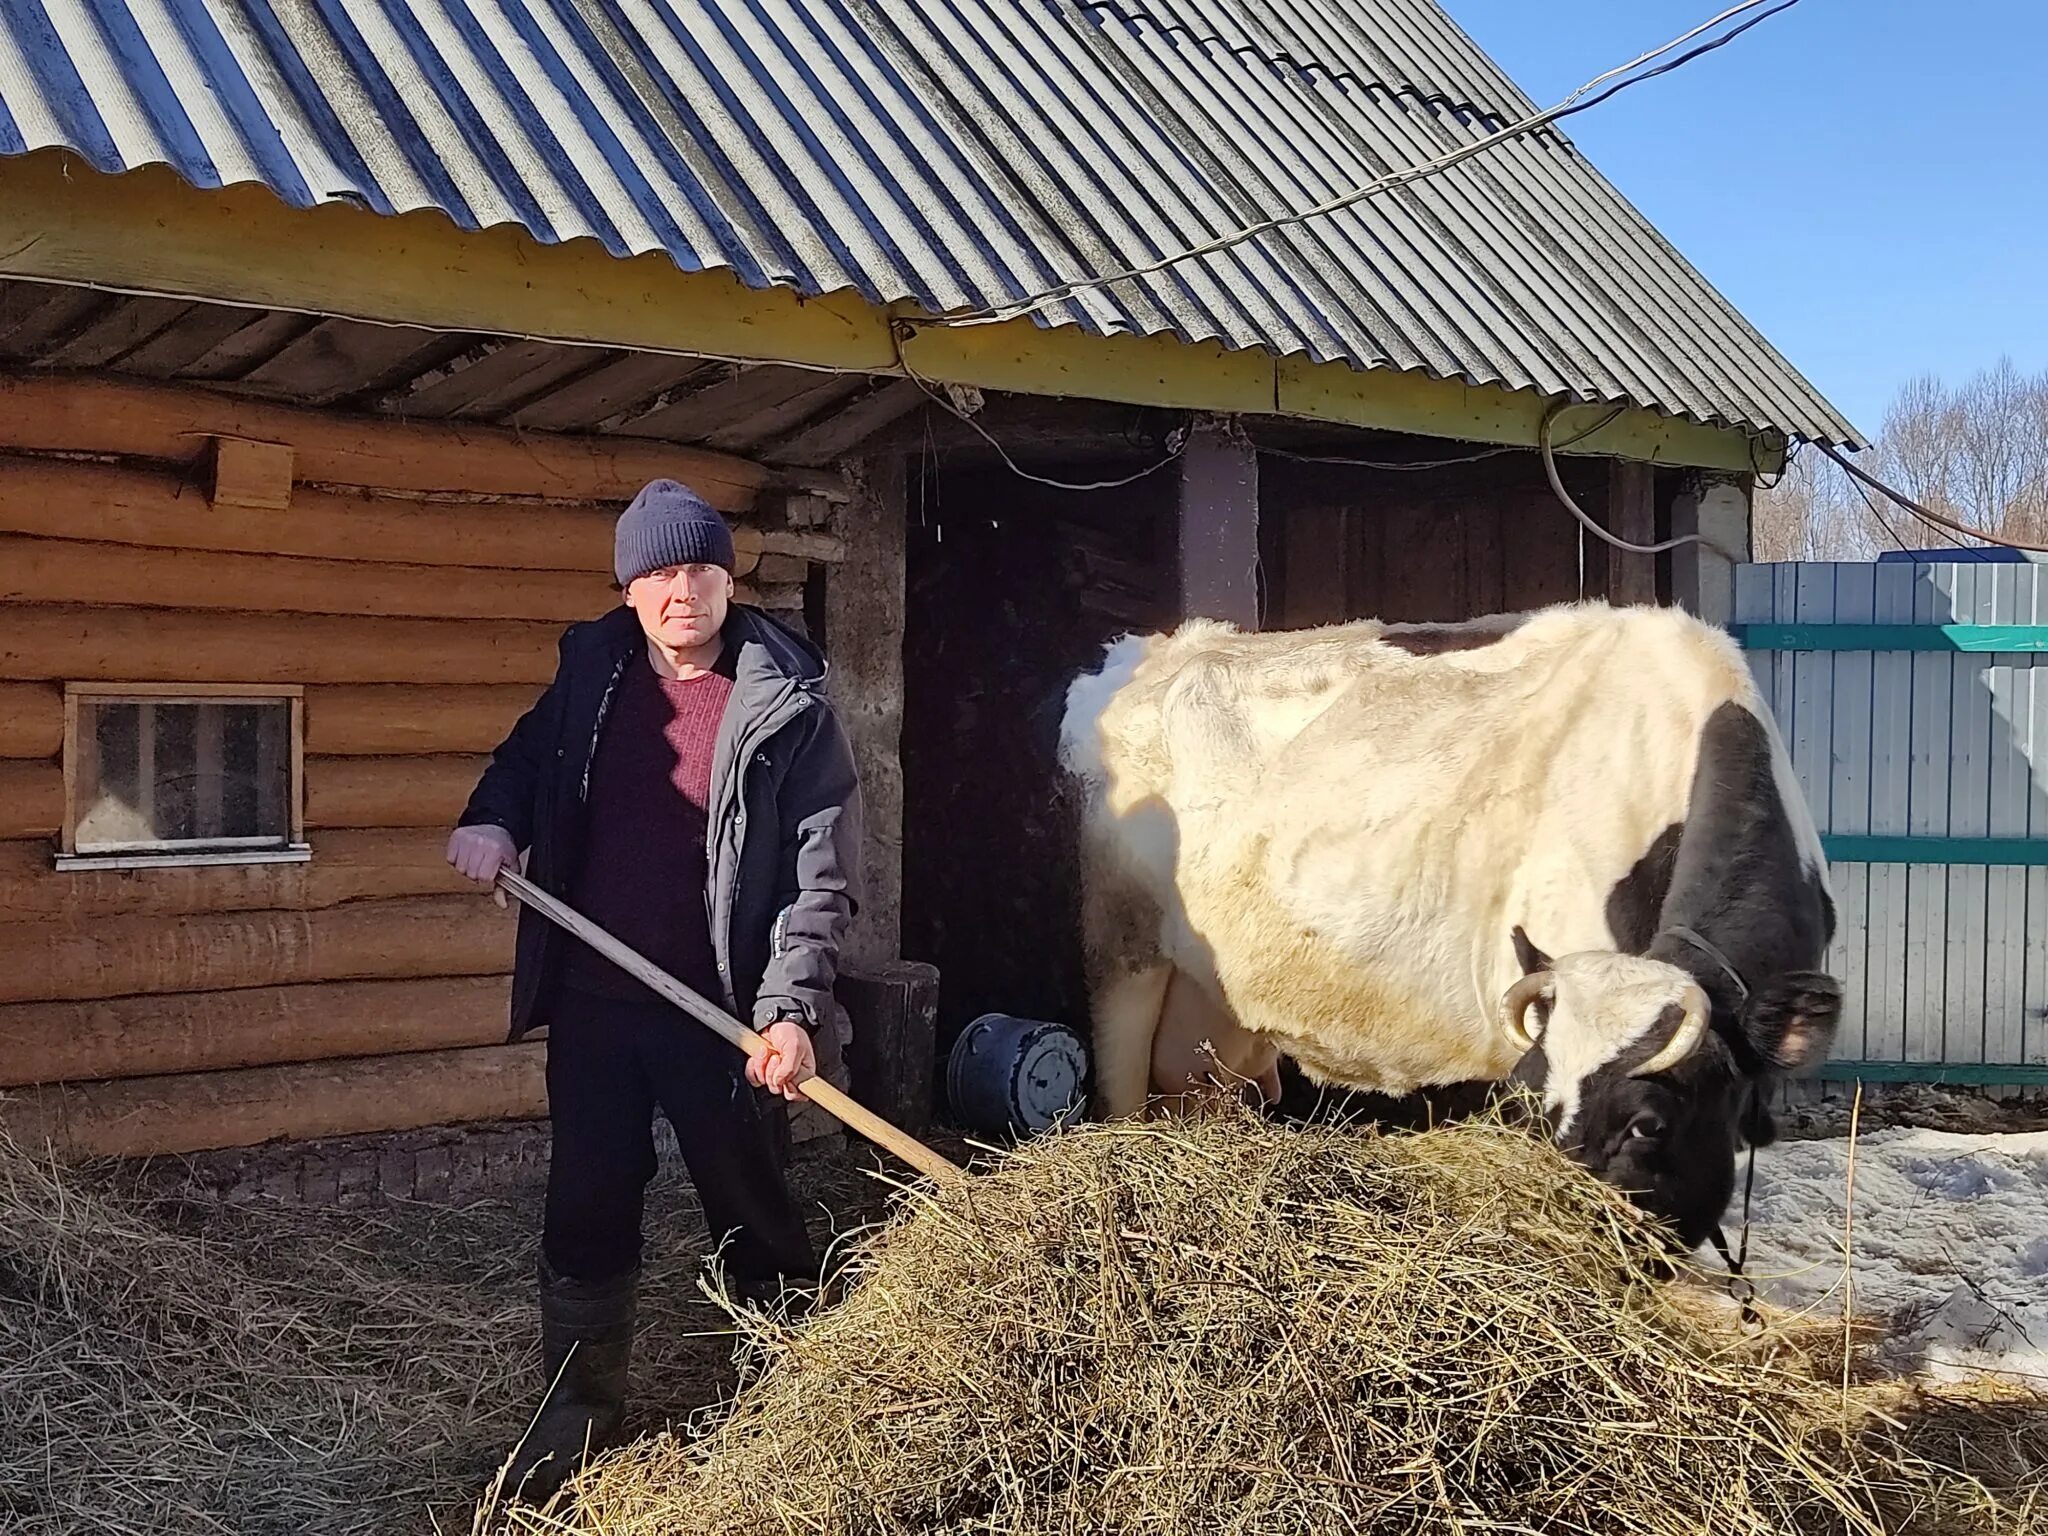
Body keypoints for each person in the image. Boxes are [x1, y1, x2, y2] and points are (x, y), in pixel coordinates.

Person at [446, 478, 861, 1498]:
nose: (683, 590)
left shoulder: (785, 702)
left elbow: (820, 875)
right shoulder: (590, 673)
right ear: (631, 589)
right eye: (660, 572)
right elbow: (524, 761)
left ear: (728, 578)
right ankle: (574, 1418)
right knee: (584, 1202)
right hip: (596, 1002)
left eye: (700, 569)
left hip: (722, 1013)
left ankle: (786, 1407)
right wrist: (495, 821)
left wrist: (787, 1010)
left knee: (750, 1204)